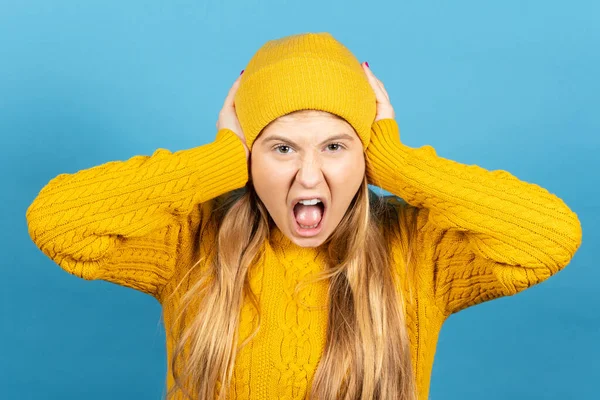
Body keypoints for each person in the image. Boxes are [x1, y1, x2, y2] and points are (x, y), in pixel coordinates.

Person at [25, 32, 583, 400]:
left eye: (336, 147)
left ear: (366, 154)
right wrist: (220, 158)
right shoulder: (189, 243)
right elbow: (59, 222)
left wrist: (396, 161)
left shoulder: (418, 252)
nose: (309, 177)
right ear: (250, 156)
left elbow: (549, 236)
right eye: (282, 148)